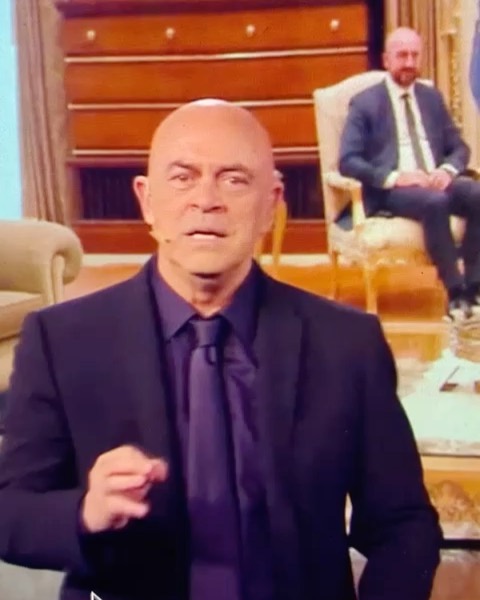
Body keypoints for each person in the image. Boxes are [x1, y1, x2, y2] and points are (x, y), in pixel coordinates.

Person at [0, 99, 440, 600]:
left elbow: (403, 524)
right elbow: (9, 511)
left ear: (271, 204)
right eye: (182, 178)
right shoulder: (61, 340)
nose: (206, 200)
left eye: (234, 179)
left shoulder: (347, 343)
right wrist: (85, 511)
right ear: (147, 200)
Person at [339, 26, 480, 320]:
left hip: (434, 180)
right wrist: (396, 177)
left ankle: (474, 286)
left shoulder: (431, 98)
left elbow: (459, 147)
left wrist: (446, 170)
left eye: (415, 55)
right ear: (386, 60)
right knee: (435, 202)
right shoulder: (365, 103)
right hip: (393, 190)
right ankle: (455, 292)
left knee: (476, 194)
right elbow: (348, 160)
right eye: (402, 55)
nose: (409, 62)